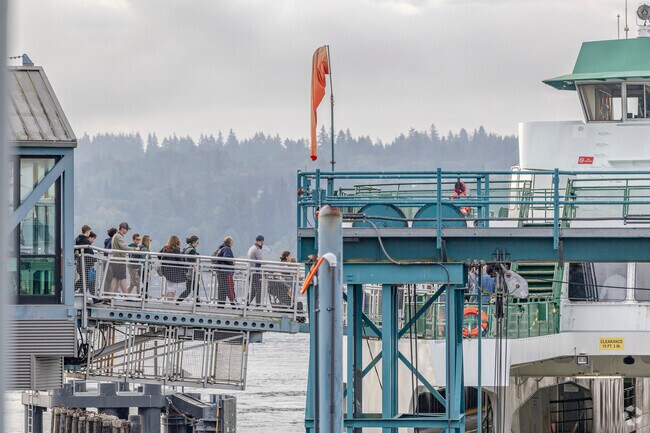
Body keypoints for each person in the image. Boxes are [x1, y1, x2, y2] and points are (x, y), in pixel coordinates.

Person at [109, 222, 138, 293]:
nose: (127, 231)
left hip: (116, 260)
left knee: (115, 278)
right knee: (123, 278)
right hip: (119, 260)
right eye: (127, 229)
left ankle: (109, 295)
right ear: (122, 228)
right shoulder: (119, 236)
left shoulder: (116, 236)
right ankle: (126, 296)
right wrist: (134, 249)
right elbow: (123, 247)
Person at [213, 236, 236, 305]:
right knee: (230, 289)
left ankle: (220, 305)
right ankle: (234, 305)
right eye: (232, 242)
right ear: (230, 242)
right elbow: (226, 258)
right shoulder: (227, 249)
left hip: (219, 273)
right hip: (226, 273)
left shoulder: (219, 249)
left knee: (222, 290)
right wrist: (232, 262)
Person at [177, 235, 200, 303]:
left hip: (188, 273)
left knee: (189, 290)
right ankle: (197, 303)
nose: (198, 244)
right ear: (194, 242)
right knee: (195, 288)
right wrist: (198, 272)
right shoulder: (191, 250)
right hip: (192, 273)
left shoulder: (187, 249)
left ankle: (178, 301)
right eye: (197, 242)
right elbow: (192, 262)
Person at [247, 235, 265, 305]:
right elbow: (262, 261)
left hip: (250, 272)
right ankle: (258, 306)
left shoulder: (251, 248)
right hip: (255, 273)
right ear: (262, 241)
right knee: (259, 290)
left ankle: (246, 304)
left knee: (253, 291)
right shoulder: (257, 249)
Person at [74, 225, 93, 292]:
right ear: (87, 231)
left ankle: (74, 291)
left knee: (83, 279)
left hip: (79, 261)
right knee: (86, 280)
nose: (90, 233)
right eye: (89, 232)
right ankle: (81, 294)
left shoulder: (77, 239)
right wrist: (94, 259)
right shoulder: (85, 240)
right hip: (85, 263)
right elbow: (89, 252)